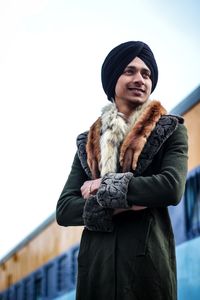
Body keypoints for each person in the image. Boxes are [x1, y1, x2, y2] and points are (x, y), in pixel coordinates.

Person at [56, 41, 188, 300]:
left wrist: (100, 186)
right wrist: (124, 203)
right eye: (130, 71)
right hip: (95, 270)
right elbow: (64, 209)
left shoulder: (170, 130)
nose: (140, 79)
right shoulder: (87, 143)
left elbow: (170, 187)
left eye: (146, 74)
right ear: (113, 78)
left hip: (146, 271)